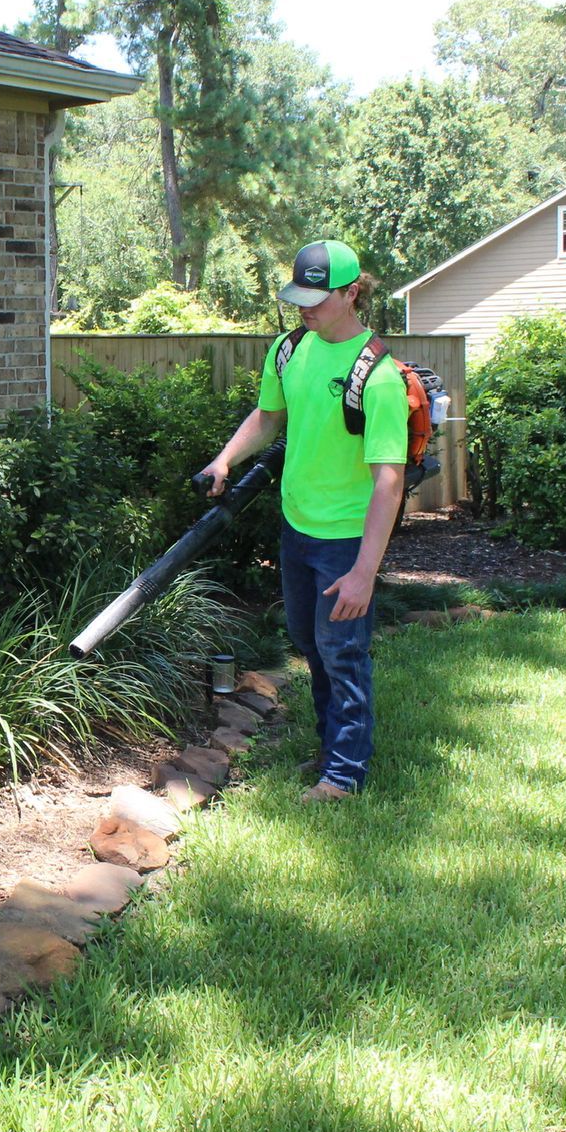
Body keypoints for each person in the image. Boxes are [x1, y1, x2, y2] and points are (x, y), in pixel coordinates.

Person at [194, 240, 407, 803]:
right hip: (297, 528)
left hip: (345, 538)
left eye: (316, 297)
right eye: (299, 297)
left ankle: (344, 774)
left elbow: (390, 480)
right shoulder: (290, 350)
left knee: (342, 653)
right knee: (311, 645)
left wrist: (365, 570)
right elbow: (268, 416)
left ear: (352, 291)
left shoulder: (378, 376)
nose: (304, 308)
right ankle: (331, 748)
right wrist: (225, 458)